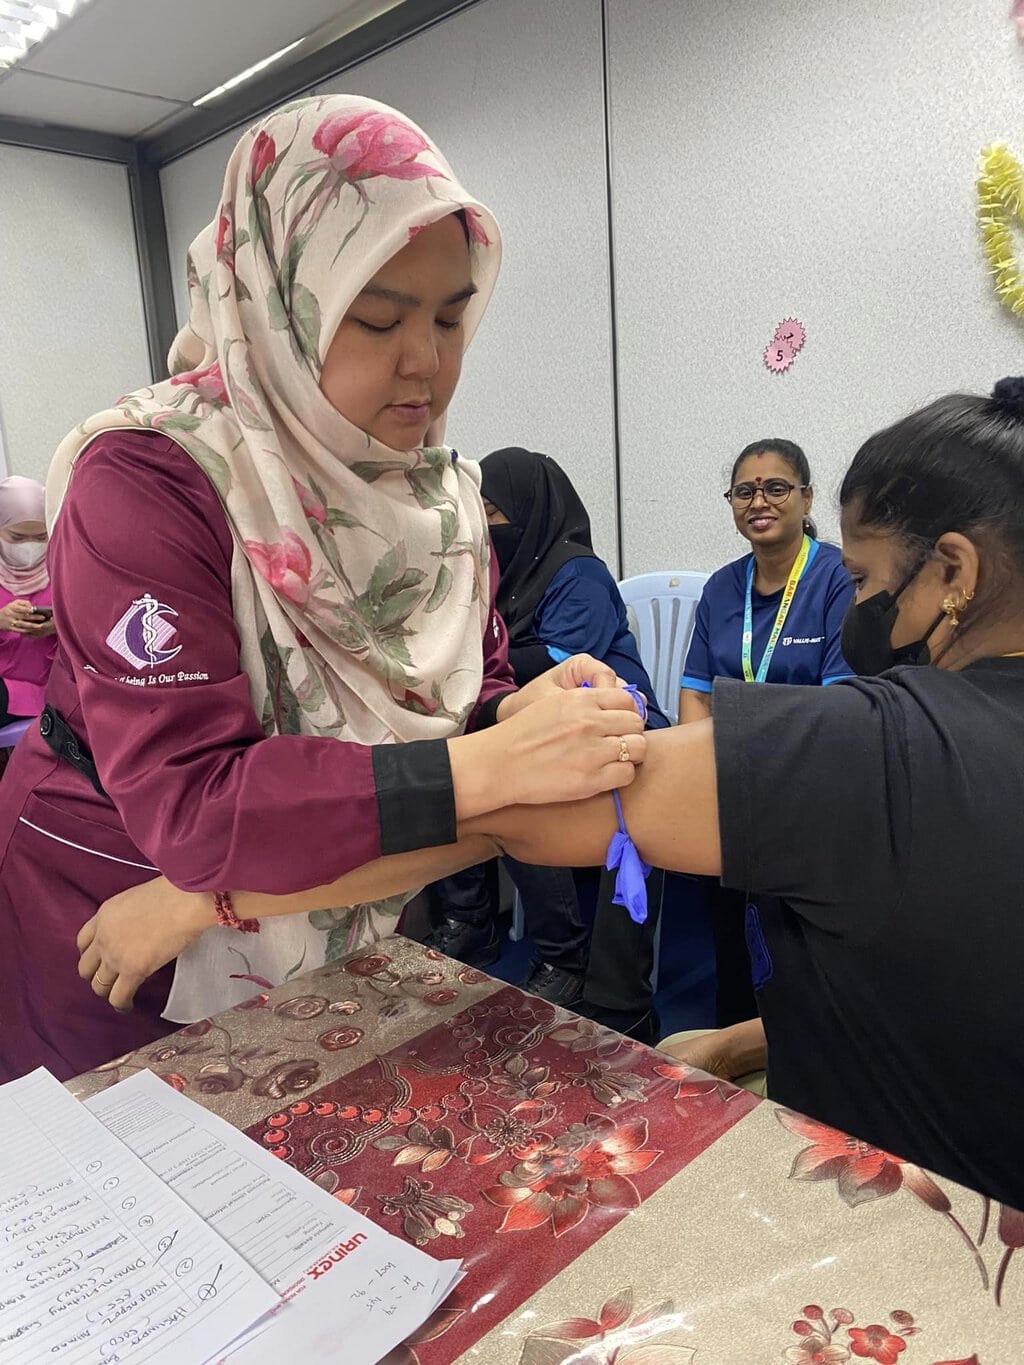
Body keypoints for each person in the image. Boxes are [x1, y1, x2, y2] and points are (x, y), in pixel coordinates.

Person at [87, 378, 1024, 1208]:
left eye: (863, 579)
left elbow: (501, 820)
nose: (855, 607)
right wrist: (742, 1043)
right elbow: (945, 997)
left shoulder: (872, 750)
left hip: (917, 1215)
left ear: (956, 572)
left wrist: (208, 897)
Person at [0, 95, 646, 1083]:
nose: (427, 361)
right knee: (140, 1150)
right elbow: (196, 809)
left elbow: (461, 701)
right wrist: (491, 769)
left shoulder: (437, 497)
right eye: (378, 318)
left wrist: (520, 716)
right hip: (114, 891)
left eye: (452, 315)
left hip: (337, 886)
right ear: (274, 300)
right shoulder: (151, 478)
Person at [424, 447, 669, 1008]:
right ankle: (470, 920)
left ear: (530, 510)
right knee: (450, 765)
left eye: (494, 512)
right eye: (479, 512)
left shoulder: (579, 572)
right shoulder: (495, 575)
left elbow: (562, 660)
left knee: (520, 796)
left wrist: (471, 669)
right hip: (537, 724)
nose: (486, 526)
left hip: (616, 720)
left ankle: (567, 956)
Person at [679, 440, 853, 1028]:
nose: (759, 502)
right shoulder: (721, 588)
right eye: (744, 491)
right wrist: (700, 774)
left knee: (800, 950)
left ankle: (804, 1038)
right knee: (731, 934)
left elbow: (838, 705)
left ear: (806, 498)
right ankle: (733, 1029)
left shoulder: (837, 579)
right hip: (731, 781)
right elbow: (695, 692)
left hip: (807, 783)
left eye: (776, 488)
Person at [0, 476, 57, 733]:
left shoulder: (64, 567)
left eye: (41, 537)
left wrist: (59, 625)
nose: (30, 547)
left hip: (56, 687)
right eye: (18, 537)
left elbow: (97, 625)